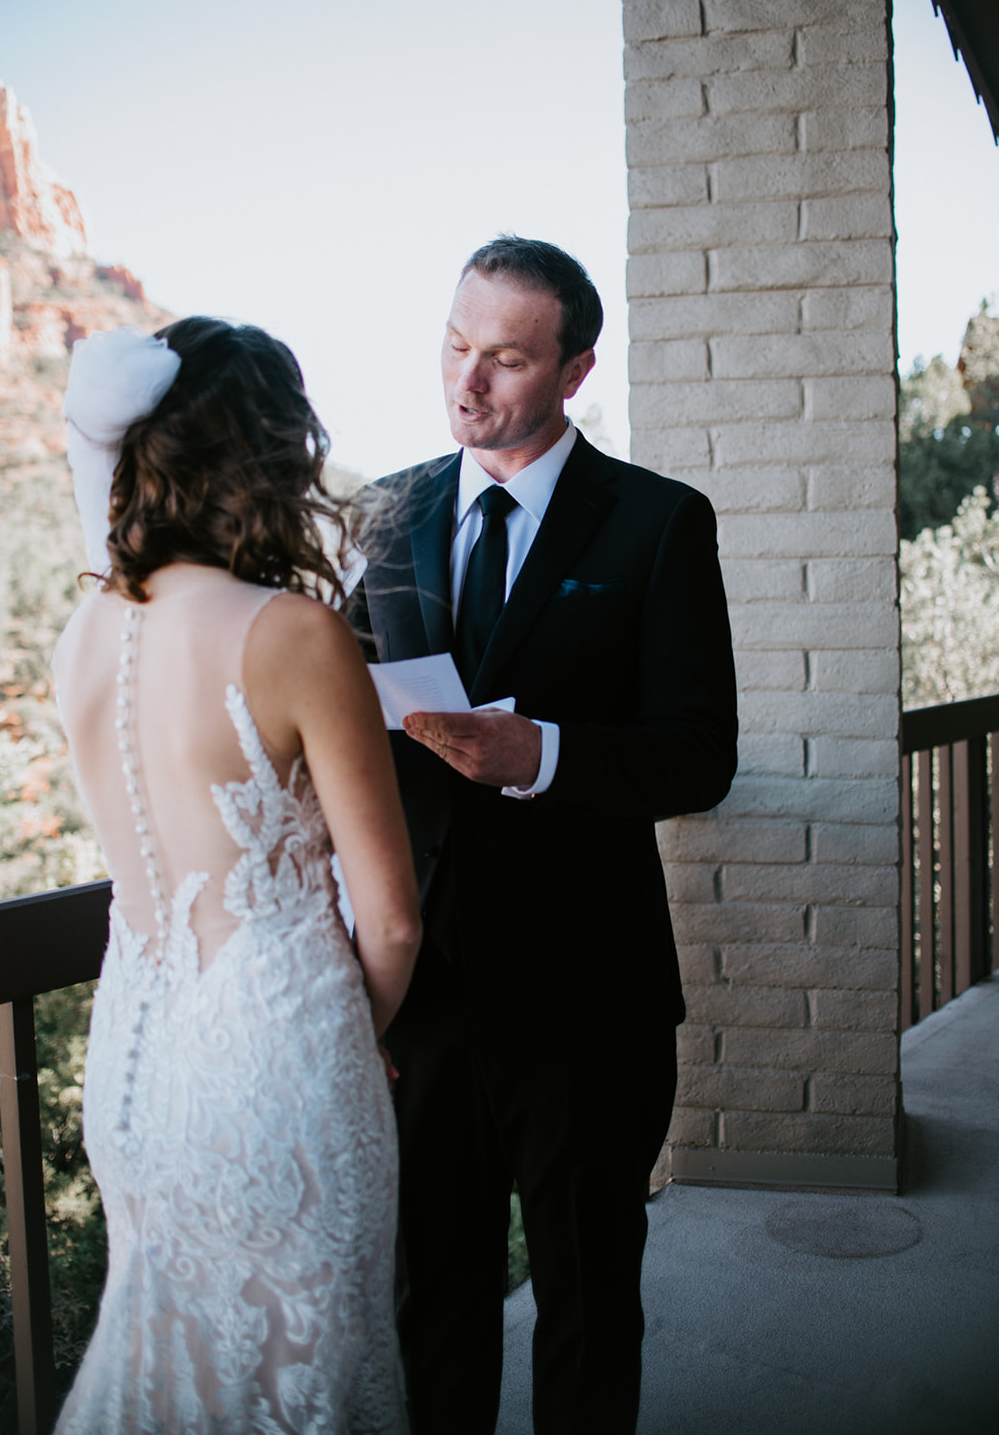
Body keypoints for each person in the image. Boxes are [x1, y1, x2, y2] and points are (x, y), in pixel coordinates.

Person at [350, 237, 738, 1435]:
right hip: (428, 996)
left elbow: (697, 753)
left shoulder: (658, 524)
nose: (468, 382)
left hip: (587, 999)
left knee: (585, 1304)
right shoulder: (382, 514)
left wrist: (547, 755)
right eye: (456, 346)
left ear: (573, 371)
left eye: (506, 359)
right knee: (437, 1299)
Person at [51, 318, 421, 1434]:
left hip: (134, 1067)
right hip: (278, 1063)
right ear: (265, 456)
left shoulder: (81, 633)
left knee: (173, 1366)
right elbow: (394, 921)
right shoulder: (291, 632)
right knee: (304, 1377)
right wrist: (359, 1037)